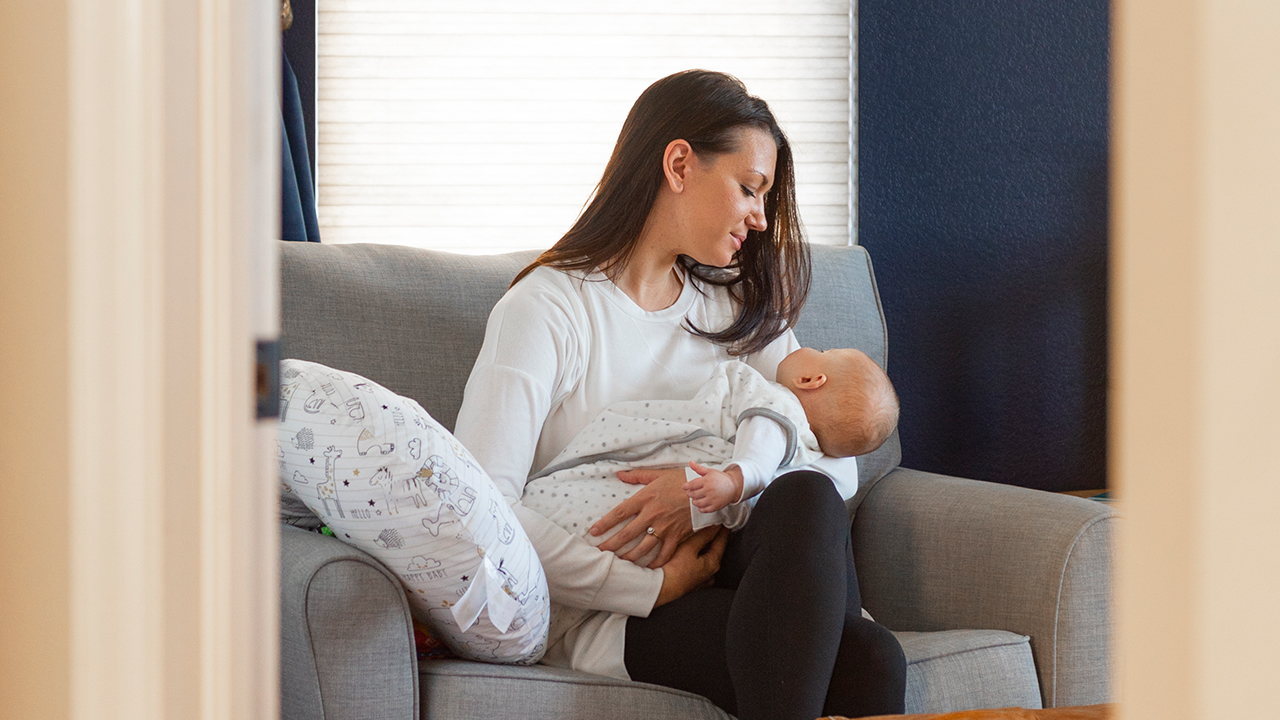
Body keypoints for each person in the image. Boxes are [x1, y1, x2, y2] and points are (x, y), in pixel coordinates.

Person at [453, 69, 906, 720]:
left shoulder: (738, 308)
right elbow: (483, 513)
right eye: (750, 188)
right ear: (678, 164)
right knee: (865, 659)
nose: (759, 215)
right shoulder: (546, 310)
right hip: (620, 607)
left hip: (740, 566)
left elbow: (831, 459)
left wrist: (703, 498)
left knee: (808, 500)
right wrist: (651, 583)